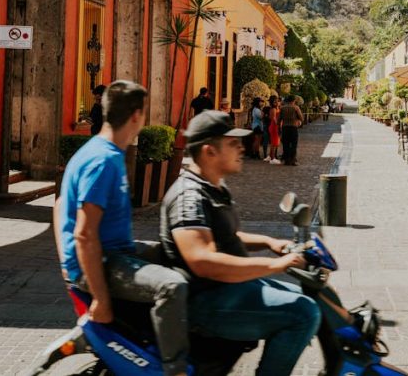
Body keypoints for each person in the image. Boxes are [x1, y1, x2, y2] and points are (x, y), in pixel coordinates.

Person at [160, 111, 320, 376]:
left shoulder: (213, 187)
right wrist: (275, 265)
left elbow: (227, 237)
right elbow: (203, 261)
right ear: (210, 151)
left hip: (227, 289)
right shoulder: (189, 196)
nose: (242, 148)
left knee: (302, 297)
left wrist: (270, 242)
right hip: (207, 300)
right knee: (303, 314)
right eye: (232, 143)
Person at [56, 80, 189, 376]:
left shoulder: (101, 152)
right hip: (104, 260)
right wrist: (100, 297)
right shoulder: (103, 160)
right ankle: (176, 369)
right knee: (172, 286)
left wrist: (66, 261)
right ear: (135, 116)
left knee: (178, 255)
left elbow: (60, 205)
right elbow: (85, 233)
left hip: (113, 252)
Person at [279, 96, 304, 166]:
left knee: (285, 144)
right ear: (293, 101)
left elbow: (279, 119)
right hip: (293, 127)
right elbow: (301, 118)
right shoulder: (296, 108)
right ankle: (293, 160)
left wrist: (279, 126)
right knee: (293, 144)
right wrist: (299, 121)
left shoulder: (282, 108)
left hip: (285, 127)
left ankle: (286, 160)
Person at [267, 95, 282, 164]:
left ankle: (271, 156)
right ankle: (272, 158)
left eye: (277, 101)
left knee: (275, 142)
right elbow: (273, 118)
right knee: (274, 143)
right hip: (274, 126)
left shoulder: (276, 108)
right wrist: (278, 125)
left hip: (274, 126)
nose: (277, 102)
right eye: (275, 101)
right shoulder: (273, 109)